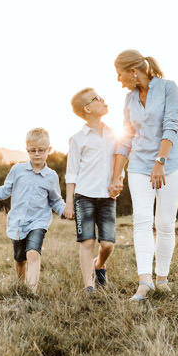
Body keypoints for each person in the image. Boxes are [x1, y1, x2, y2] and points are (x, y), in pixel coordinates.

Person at [109, 49, 178, 301]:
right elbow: (124, 140)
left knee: (165, 224)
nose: (118, 80)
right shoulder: (129, 100)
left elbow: (171, 125)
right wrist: (117, 176)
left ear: (134, 72)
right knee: (142, 221)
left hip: (171, 164)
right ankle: (144, 282)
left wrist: (160, 162)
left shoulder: (168, 88)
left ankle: (162, 279)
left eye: (119, 74)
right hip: (139, 165)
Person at [0, 127, 67, 295]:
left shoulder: (51, 176)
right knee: (20, 259)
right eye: (32, 150)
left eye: (41, 150)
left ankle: (31, 291)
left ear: (48, 150)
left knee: (33, 252)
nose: (37, 154)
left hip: (38, 222)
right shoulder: (17, 170)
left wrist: (66, 211)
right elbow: (4, 191)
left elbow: (56, 200)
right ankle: (21, 285)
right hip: (18, 223)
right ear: (27, 150)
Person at [64, 87, 117, 294]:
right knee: (87, 241)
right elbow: (71, 173)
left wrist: (118, 179)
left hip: (108, 197)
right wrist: (69, 202)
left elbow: (120, 161)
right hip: (84, 196)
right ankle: (89, 285)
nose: (104, 100)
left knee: (107, 244)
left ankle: (100, 264)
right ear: (87, 108)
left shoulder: (115, 134)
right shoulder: (77, 138)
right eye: (98, 98)